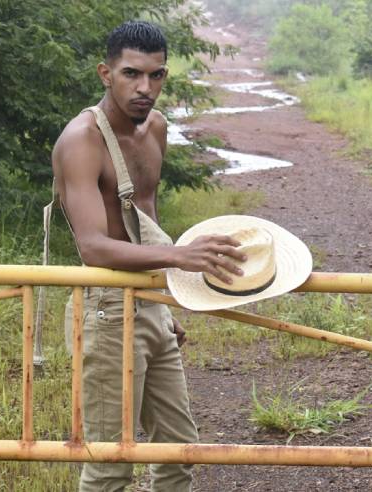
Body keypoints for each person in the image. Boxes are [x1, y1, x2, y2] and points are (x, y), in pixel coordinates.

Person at [50, 20, 246, 491]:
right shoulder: (81, 141)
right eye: (132, 74)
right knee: (111, 462)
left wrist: (163, 295)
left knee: (179, 449)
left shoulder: (155, 127)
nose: (145, 87)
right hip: (106, 307)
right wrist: (180, 258)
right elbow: (93, 246)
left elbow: (144, 215)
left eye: (156, 76)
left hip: (148, 300)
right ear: (105, 73)